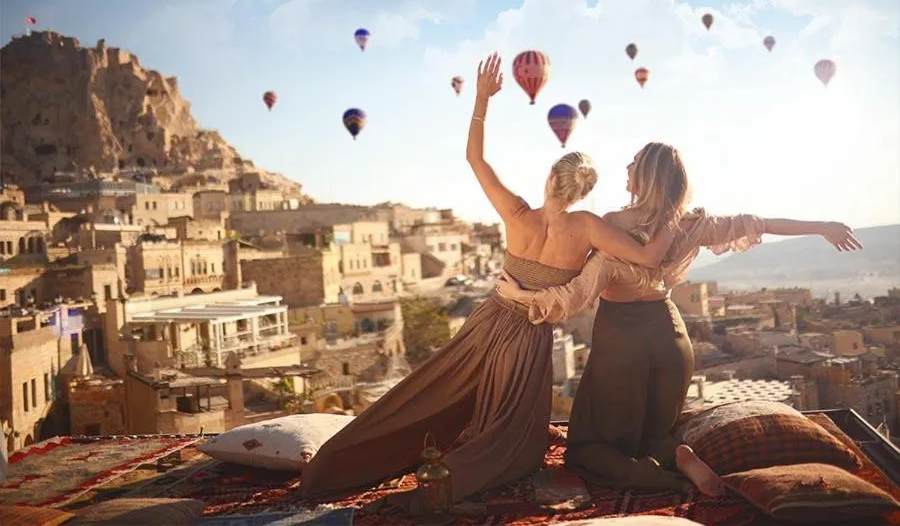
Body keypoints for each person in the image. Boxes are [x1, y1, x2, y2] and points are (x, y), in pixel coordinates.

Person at [298, 55, 676, 516]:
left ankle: (345, 460)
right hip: (529, 330)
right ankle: (467, 469)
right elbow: (648, 259)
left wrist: (481, 99)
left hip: (489, 316)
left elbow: (474, 158)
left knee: (435, 390)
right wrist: (672, 216)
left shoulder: (516, 214)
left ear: (550, 179)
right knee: (510, 434)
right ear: (581, 192)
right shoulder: (590, 227)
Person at [496, 141, 862, 497]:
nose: (626, 168)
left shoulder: (612, 224)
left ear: (648, 175)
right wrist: (823, 225)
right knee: (655, 431)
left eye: (634, 162)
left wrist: (520, 294)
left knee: (591, 448)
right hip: (671, 340)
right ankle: (674, 455)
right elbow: (759, 223)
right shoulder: (692, 223)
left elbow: (574, 295)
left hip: (622, 344)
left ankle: (654, 473)